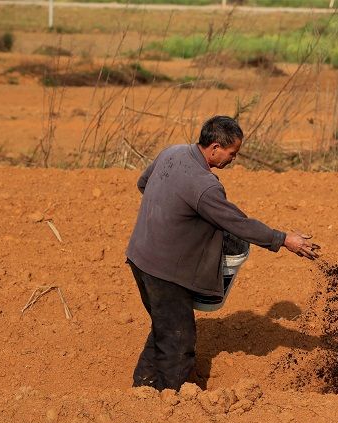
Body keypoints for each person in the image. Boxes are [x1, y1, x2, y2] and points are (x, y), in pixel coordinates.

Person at [125, 115, 320, 391]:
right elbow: (238, 224)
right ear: (215, 148)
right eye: (232, 153)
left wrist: (172, 218)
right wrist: (285, 239)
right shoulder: (205, 187)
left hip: (139, 257)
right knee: (179, 343)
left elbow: (143, 183)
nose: (233, 159)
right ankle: (167, 402)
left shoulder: (173, 152)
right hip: (164, 271)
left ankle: (143, 390)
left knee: (165, 325)